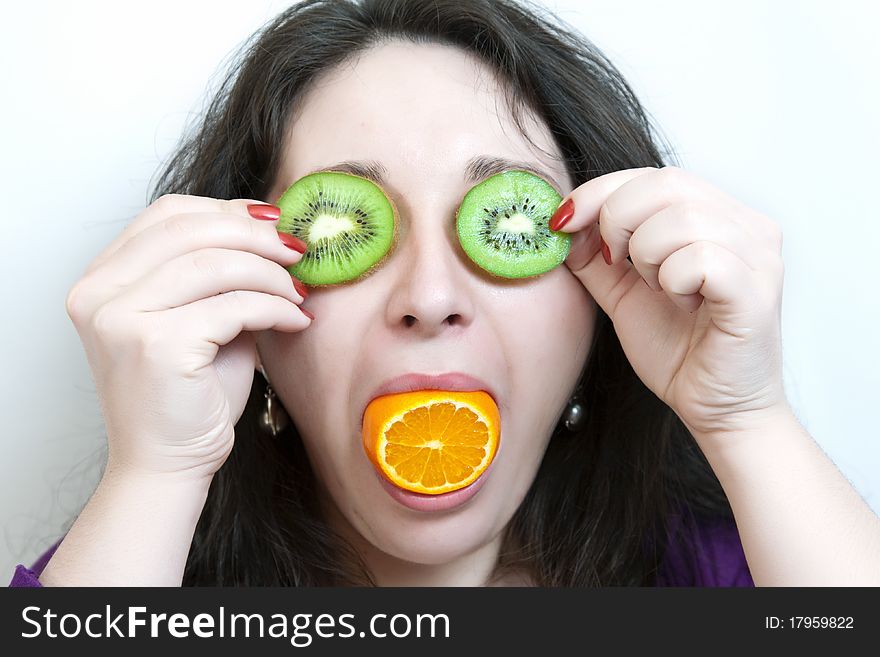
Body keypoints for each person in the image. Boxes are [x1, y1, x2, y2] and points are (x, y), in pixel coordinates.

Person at [9, 0, 880, 588]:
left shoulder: (725, 577)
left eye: (506, 222)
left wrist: (747, 418)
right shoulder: (128, 571)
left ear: (604, 302)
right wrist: (154, 471)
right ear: (250, 320)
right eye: (344, 229)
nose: (429, 295)